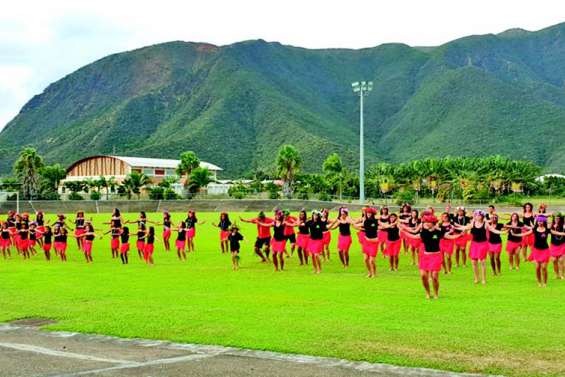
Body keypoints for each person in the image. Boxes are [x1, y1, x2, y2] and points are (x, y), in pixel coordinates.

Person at [403, 211, 459, 299]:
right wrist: (403, 231)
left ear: (433, 223)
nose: (426, 224)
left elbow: (450, 237)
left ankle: (436, 293)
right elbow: (414, 236)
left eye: (428, 222)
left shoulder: (438, 232)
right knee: (423, 276)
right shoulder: (424, 233)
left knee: (434, 276)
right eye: (425, 222)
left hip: (436, 256)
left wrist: (460, 235)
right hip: (425, 256)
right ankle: (428, 293)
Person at [513, 215, 565, 287]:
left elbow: (558, 233)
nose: (540, 222)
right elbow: (525, 234)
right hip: (536, 250)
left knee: (544, 267)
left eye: (541, 221)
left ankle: (545, 283)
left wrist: (563, 233)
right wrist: (515, 234)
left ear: (543, 222)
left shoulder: (547, 230)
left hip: (545, 250)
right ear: (537, 222)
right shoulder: (534, 229)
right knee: (537, 268)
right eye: (538, 221)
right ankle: (539, 282)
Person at [455, 210, 489, 284]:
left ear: (482, 216)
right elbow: (465, 227)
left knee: (482, 262)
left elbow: (493, 230)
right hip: (474, 244)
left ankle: (484, 279)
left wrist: (503, 232)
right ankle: (476, 278)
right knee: (474, 262)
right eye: (476, 215)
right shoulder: (473, 223)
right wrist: (455, 226)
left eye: (479, 215)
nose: (477, 217)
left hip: (483, 244)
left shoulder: (485, 224)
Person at [354, 207, 379, 278]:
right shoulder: (365, 221)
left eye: (370, 213)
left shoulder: (375, 221)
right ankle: (369, 272)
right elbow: (358, 225)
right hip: (366, 242)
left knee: (371, 260)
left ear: (372, 214)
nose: (368, 214)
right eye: (367, 213)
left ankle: (374, 273)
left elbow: (372, 226)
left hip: (373, 242)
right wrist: (353, 223)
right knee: (365, 259)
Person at [550, 214, 565, 280]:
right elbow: (551, 231)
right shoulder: (551, 226)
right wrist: (561, 233)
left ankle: (562, 275)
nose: (556, 220)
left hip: (562, 244)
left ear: (560, 219)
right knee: (554, 260)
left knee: (561, 260)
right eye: (555, 218)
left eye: (558, 218)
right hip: (553, 245)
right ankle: (557, 274)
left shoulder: (563, 226)